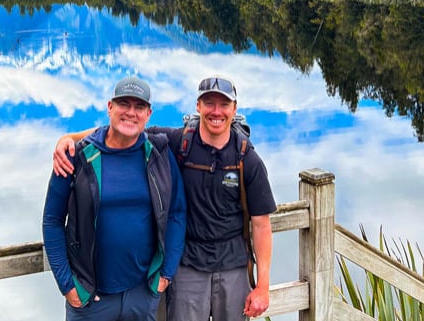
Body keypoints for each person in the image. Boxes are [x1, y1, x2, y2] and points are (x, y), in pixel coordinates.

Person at [53, 75, 276, 321]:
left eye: (224, 104)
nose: (216, 111)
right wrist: (71, 139)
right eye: (209, 103)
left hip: (233, 264)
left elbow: (261, 225)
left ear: (234, 109)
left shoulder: (248, 159)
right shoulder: (178, 142)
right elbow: (123, 128)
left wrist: (263, 286)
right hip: (189, 265)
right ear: (198, 106)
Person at [42, 75, 187, 321]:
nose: (131, 113)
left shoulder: (158, 154)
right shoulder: (77, 156)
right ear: (110, 107)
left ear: (148, 114)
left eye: (139, 106)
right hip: (89, 299)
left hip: (142, 295)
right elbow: (52, 221)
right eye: (124, 104)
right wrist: (67, 285)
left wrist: (166, 273)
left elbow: (176, 213)